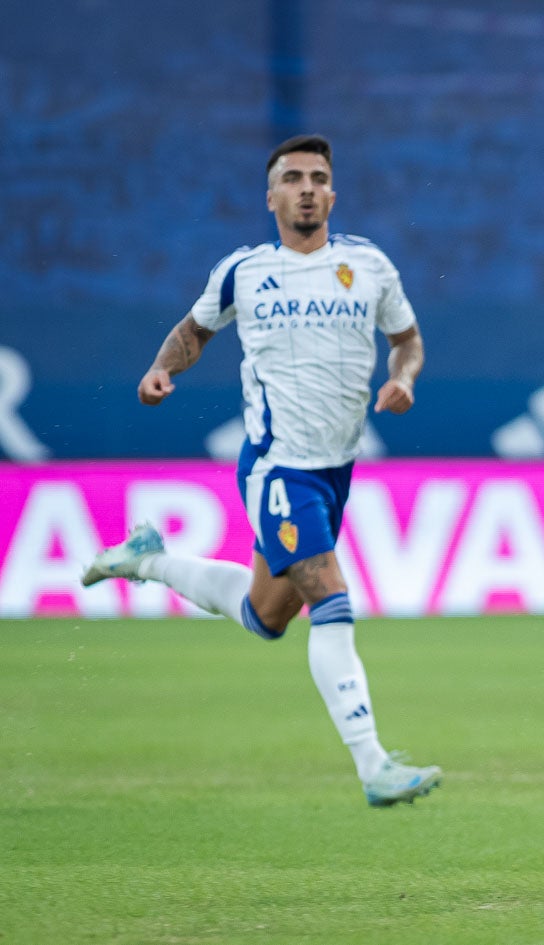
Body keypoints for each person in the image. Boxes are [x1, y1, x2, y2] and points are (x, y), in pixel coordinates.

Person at [82, 134, 442, 807]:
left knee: (266, 614)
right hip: (278, 468)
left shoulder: (368, 268)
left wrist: (404, 377)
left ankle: (146, 560)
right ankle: (373, 766)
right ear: (270, 196)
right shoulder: (244, 271)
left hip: (336, 469)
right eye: (292, 177)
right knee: (330, 597)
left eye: (318, 177)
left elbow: (407, 340)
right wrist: (163, 367)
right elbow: (194, 329)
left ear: (333, 193)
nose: (307, 187)